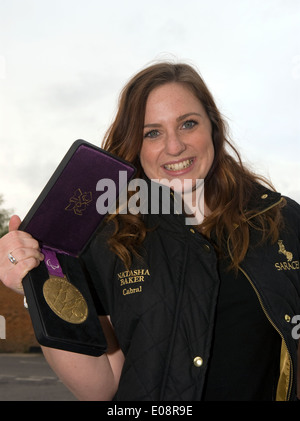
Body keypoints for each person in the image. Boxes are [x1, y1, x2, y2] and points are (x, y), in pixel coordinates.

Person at [0, 61, 299, 401]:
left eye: (188, 124)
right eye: (152, 133)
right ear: (136, 146)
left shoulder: (280, 220)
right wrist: (35, 284)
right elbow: (102, 386)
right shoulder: (109, 240)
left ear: (214, 127)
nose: (174, 147)